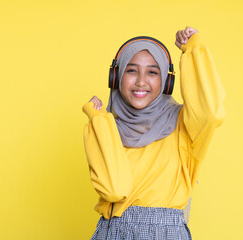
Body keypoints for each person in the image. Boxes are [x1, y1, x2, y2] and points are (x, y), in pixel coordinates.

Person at [82, 26, 226, 240]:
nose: (141, 81)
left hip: (165, 232)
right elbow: (114, 189)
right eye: (131, 70)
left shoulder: (184, 124)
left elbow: (212, 113)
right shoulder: (107, 126)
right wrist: (98, 122)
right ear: (116, 76)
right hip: (111, 232)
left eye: (152, 72)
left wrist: (193, 50)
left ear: (167, 82)